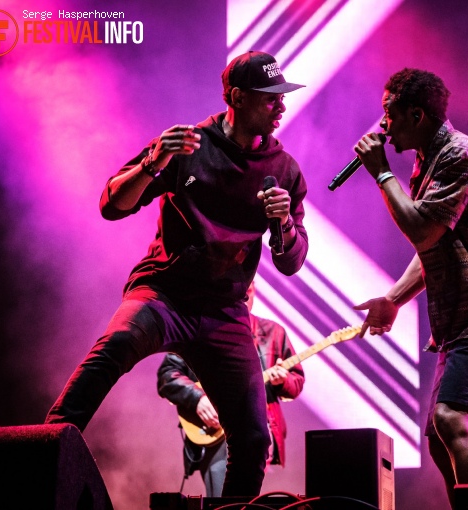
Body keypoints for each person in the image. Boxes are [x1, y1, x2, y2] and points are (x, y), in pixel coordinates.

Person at [44, 50, 309, 497]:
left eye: (282, 98)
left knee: (253, 438)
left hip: (225, 312)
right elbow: (112, 205)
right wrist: (152, 163)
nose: (281, 106)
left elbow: (290, 262)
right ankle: (39, 459)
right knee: (116, 346)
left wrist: (283, 223)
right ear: (238, 98)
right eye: (270, 99)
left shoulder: (284, 170)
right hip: (164, 296)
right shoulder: (189, 145)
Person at [352, 68, 468, 506]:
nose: (383, 126)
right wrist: (394, 300)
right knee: (440, 435)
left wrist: (380, 173)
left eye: (388, 114)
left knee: (452, 419)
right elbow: (436, 247)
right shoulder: (428, 160)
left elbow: (422, 232)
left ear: (416, 114)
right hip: (462, 320)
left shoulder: (460, 155)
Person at [157, 281, 304, 496]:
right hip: (217, 439)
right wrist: (198, 399)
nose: (244, 297)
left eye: (249, 291)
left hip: (260, 437)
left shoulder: (274, 332)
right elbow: (167, 374)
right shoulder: (200, 327)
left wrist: (282, 381)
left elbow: (296, 382)